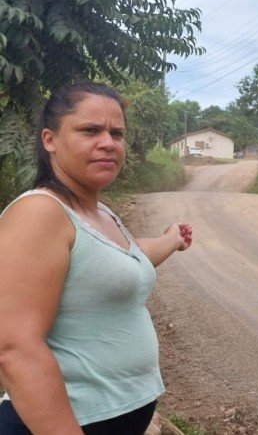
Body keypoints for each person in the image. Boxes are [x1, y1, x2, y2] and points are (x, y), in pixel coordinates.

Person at [0, 82, 193, 434]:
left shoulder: (97, 211)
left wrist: (172, 239)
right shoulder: (39, 213)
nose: (109, 142)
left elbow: (123, 260)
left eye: (117, 133)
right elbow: (15, 348)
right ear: (50, 140)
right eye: (90, 130)